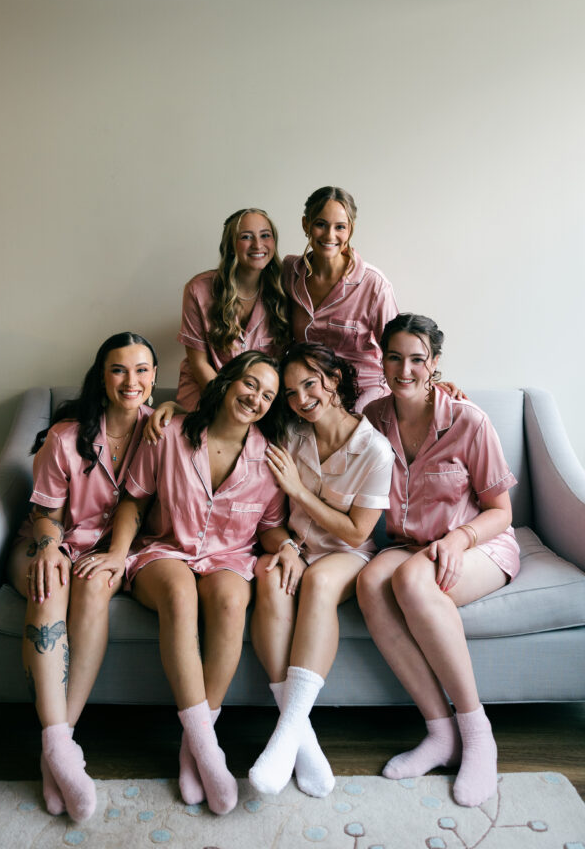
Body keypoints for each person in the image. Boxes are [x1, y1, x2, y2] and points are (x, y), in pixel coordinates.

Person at [105, 351, 289, 815]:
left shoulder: (268, 457)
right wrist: (114, 553)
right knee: (180, 594)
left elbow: (267, 528)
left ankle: (193, 747)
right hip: (164, 550)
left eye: (268, 394)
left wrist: (289, 547)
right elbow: (133, 500)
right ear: (227, 382)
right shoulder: (169, 433)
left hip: (228, 558)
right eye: (250, 384)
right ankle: (211, 754)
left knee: (230, 601)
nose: (256, 398)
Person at [356, 314, 520, 808]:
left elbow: (500, 511)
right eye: (394, 357)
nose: (404, 369)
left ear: (434, 364)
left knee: (411, 581)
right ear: (380, 359)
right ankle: (439, 732)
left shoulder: (468, 420)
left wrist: (459, 539)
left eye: (417, 359)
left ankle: (477, 735)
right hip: (410, 545)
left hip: (478, 545)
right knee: (370, 582)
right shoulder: (372, 418)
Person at [7, 332, 158, 822]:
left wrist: (115, 556)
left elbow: (140, 505)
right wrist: (49, 547)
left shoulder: (163, 432)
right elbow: (44, 512)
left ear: (155, 377)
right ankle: (61, 745)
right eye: (119, 369)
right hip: (53, 535)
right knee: (47, 583)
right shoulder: (66, 436)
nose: (130, 380)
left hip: (112, 553)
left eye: (141, 369)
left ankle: (58, 749)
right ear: (102, 377)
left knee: (94, 587)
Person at [248, 342, 393, 798]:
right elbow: (269, 518)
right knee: (270, 578)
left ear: (333, 381)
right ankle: (301, 738)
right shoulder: (291, 433)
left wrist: (300, 490)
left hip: (347, 555)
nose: (300, 399)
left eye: (309, 384)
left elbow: (355, 533)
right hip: (295, 547)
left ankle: (288, 730)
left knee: (319, 581)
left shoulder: (375, 451)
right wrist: (288, 546)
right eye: (290, 392)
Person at [282, 186, 398, 409]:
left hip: (363, 390)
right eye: (320, 224)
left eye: (340, 227)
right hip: (309, 388)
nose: (329, 235)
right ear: (306, 224)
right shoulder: (288, 272)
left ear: (350, 229)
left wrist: (431, 385)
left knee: (352, 431)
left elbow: (398, 348)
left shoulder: (374, 284)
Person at [173, 207, 290, 410]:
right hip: (206, 394)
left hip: (259, 402)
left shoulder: (284, 289)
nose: (258, 244)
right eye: (246, 237)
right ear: (230, 244)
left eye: (265, 235)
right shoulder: (198, 290)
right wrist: (229, 409)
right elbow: (199, 363)